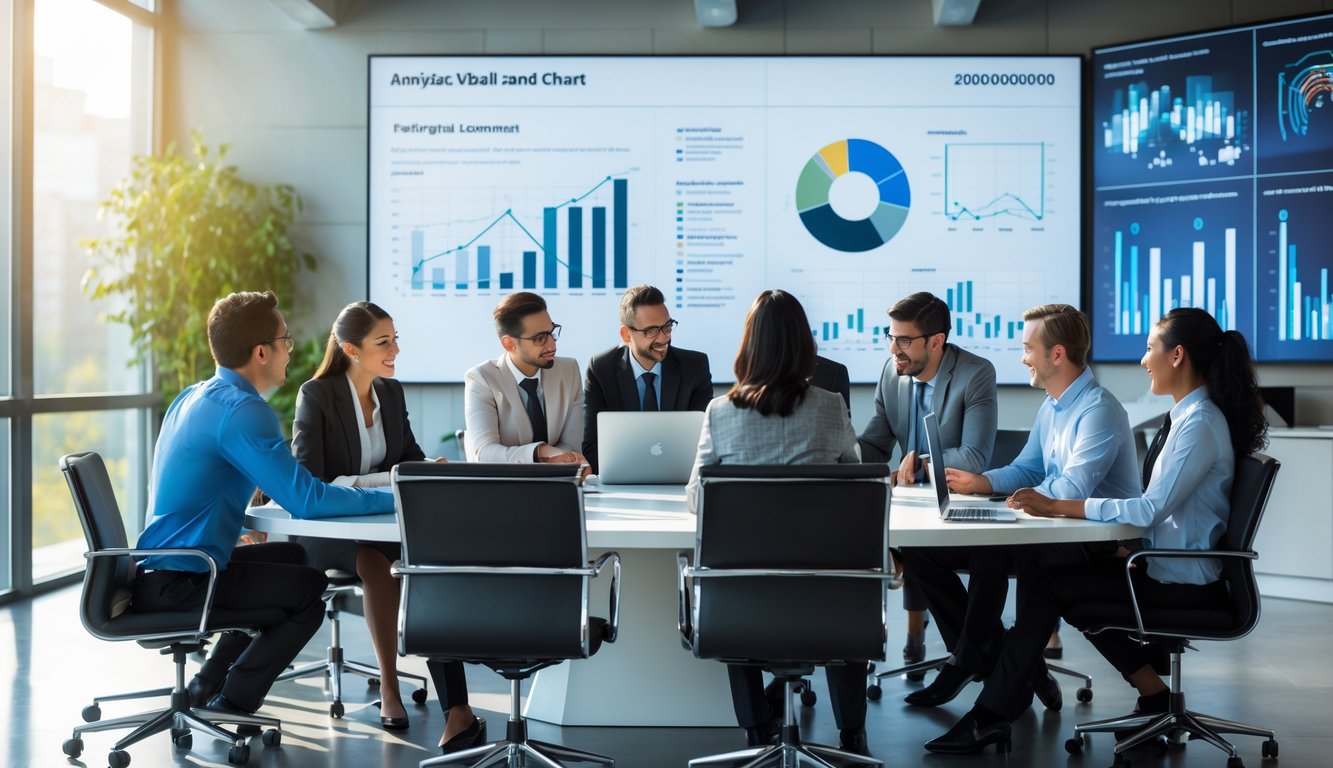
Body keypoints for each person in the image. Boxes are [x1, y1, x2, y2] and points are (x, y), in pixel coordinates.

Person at [925, 307, 1268, 754]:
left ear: (1177, 355)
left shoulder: (1198, 424)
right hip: (1159, 564)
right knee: (1054, 582)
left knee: (1053, 584)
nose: (1143, 360)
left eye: (1150, 348)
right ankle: (1145, 695)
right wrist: (989, 484)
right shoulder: (1187, 417)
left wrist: (1056, 506)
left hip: (1182, 580)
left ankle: (990, 711)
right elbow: (1147, 506)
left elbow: (1148, 509)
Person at [131, 291, 393, 718]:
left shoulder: (195, 395)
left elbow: (202, 482)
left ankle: (206, 683)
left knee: (293, 559)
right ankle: (234, 703)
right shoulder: (243, 410)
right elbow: (305, 500)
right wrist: (389, 498)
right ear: (261, 353)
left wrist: (242, 516)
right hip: (184, 581)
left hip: (160, 569)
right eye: (285, 340)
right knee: (307, 593)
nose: (290, 351)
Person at [900, 304, 1141, 709]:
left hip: (1094, 538)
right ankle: (1007, 663)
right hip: (1053, 528)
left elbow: (1070, 489)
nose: (1023, 358)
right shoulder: (1053, 405)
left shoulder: (1098, 410)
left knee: (991, 551)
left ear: (1057, 354)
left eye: (1028, 348)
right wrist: (982, 483)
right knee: (921, 553)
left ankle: (972, 662)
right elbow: (1027, 468)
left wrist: (1013, 501)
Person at [291, 301, 484, 751]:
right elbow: (311, 480)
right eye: (384, 342)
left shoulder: (391, 394)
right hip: (329, 530)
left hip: (382, 523)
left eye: (395, 339)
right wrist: (388, 479)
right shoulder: (316, 395)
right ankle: (390, 687)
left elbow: (408, 457)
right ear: (351, 349)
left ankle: (457, 708)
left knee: (428, 566)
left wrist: (427, 468)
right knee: (374, 563)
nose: (395, 349)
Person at [684, 289, 869, 756]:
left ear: (749, 345)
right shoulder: (831, 406)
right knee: (850, 575)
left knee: (732, 572)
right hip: (828, 604)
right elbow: (857, 490)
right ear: (804, 345)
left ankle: (754, 733)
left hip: (743, 608)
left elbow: (697, 499)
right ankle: (852, 735)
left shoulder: (721, 412)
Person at [857, 291, 998, 668]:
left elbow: (974, 457)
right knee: (910, 553)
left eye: (904, 340)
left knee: (926, 558)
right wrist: (838, 451)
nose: (893, 350)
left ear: (936, 341)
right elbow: (875, 444)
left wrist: (918, 466)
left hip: (957, 508)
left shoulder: (975, 373)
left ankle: (978, 662)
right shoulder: (892, 373)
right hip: (911, 511)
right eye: (891, 337)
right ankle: (992, 663)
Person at [582, 284, 713, 473]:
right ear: (626, 335)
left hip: (680, 479)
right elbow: (592, 448)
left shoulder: (695, 367)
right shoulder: (601, 370)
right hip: (623, 481)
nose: (664, 338)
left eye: (667, 327)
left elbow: (705, 443)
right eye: (651, 331)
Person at [464, 292, 586, 465]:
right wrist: (540, 451)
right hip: (506, 481)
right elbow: (486, 453)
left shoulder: (569, 370)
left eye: (551, 332)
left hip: (559, 478)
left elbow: (572, 446)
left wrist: (555, 460)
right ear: (509, 344)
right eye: (540, 338)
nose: (552, 345)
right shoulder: (482, 378)